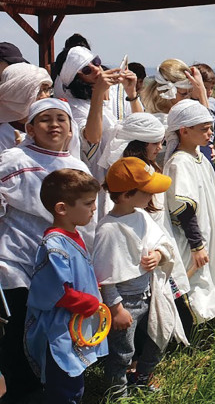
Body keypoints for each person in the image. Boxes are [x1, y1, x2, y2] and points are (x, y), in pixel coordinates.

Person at [0, 98, 92, 402]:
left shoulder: (76, 166)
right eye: (45, 119)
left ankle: (50, 388)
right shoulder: (13, 160)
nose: (54, 125)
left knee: (55, 333)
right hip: (18, 262)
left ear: (70, 128)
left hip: (59, 267)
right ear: (30, 127)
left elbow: (88, 218)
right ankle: (21, 392)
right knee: (19, 333)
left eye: (60, 119)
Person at [92, 158, 187, 397]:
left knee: (158, 337)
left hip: (149, 293)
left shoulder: (141, 215)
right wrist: (116, 309)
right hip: (125, 301)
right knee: (122, 350)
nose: (151, 197)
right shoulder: (108, 230)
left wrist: (158, 254)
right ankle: (118, 392)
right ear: (125, 195)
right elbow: (105, 276)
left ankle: (142, 376)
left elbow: (162, 242)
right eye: (146, 192)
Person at [25, 169, 106, 404]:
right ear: (62, 208)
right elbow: (55, 289)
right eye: (88, 203)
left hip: (75, 327)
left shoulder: (73, 236)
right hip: (60, 329)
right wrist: (89, 302)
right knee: (63, 385)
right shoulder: (53, 245)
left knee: (75, 383)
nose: (94, 208)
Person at [164, 100, 215, 328]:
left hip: (210, 226)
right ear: (184, 131)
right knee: (197, 280)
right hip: (193, 237)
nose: (210, 133)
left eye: (210, 127)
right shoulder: (179, 163)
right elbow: (183, 208)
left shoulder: (199, 158)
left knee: (212, 274)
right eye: (204, 129)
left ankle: (211, 321)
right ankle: (194, 327)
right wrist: (197, 245)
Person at [55, 46, 142, 176]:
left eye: (95, 61)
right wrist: (98, 94)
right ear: (77, 79)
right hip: (98, 176)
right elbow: (93, 137)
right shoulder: (72, 106)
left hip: (128, 170)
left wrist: (132, 93)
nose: (96, 69)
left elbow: (143, 126)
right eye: (86, 70)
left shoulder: (117, 91)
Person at [0, 63, 54, 152]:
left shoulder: (53, 128)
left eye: (46, 90)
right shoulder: (3, 135)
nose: (44, 96)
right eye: (38, 92)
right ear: (19, 95)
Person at [191, 63, 215, 173]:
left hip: (208, 142)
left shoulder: (214, 103)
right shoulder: (189, 103)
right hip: (195, 143)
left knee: (210, 170)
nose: (209, 91)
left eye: (211, 88)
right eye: (205, 87)